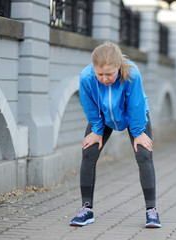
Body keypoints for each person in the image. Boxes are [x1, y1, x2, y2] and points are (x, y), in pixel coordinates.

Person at [69, 43, 161, 228]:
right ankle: (86, 209)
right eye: (100, 74)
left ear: (119, 66)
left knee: (144, 154)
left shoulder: (132, 73)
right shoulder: (86, 76)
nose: (104, 79)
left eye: (109, 74)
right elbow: (88, 103)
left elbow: (135, 105)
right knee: (88, 152)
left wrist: (138, 133)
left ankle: (151, 211)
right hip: (102, 117)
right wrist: (96, 129)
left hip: (133, 116)